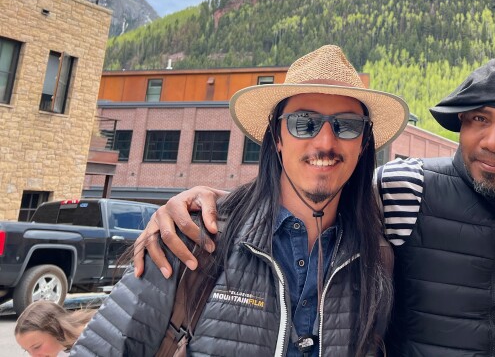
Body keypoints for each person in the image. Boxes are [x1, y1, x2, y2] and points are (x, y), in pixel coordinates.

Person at [136, 56, 495, 355]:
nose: (494, 141)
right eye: (479, 119)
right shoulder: (405, 188)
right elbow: (312, 187)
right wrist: (211, 203)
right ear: (460, 125)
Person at [71, 45, 409, 356]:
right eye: (303, 123)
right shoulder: (191, 238)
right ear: (277, 137)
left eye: (346, 125)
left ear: (364, 142)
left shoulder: (376, 262)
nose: (325, 140)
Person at [15, 301, 95, 357]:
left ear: (57, 329)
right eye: (27, 350)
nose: (34, 355)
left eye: (37, 347)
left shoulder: (97, 339)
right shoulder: (61, 350)